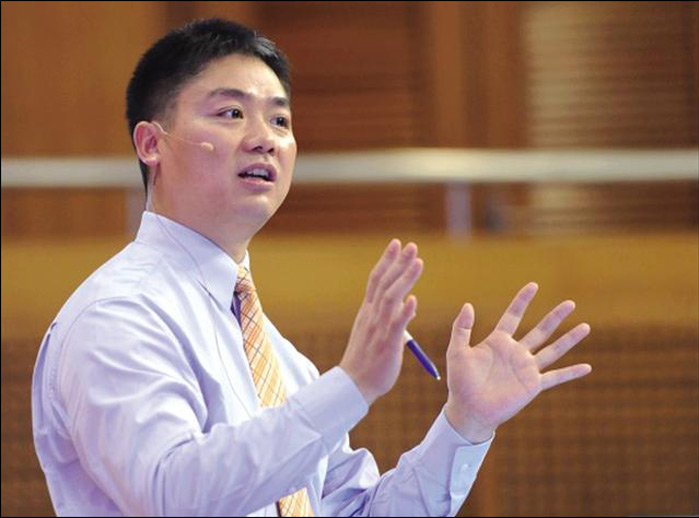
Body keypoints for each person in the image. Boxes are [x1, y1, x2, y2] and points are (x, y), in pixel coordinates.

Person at [31, 18, 592, 517]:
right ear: (152, 143)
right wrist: (351, 385)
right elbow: (168, 495)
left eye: (280, 120)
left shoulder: (280, 359)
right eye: (231, 113)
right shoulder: (119, 314)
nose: (264, 140)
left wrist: (464, 425)